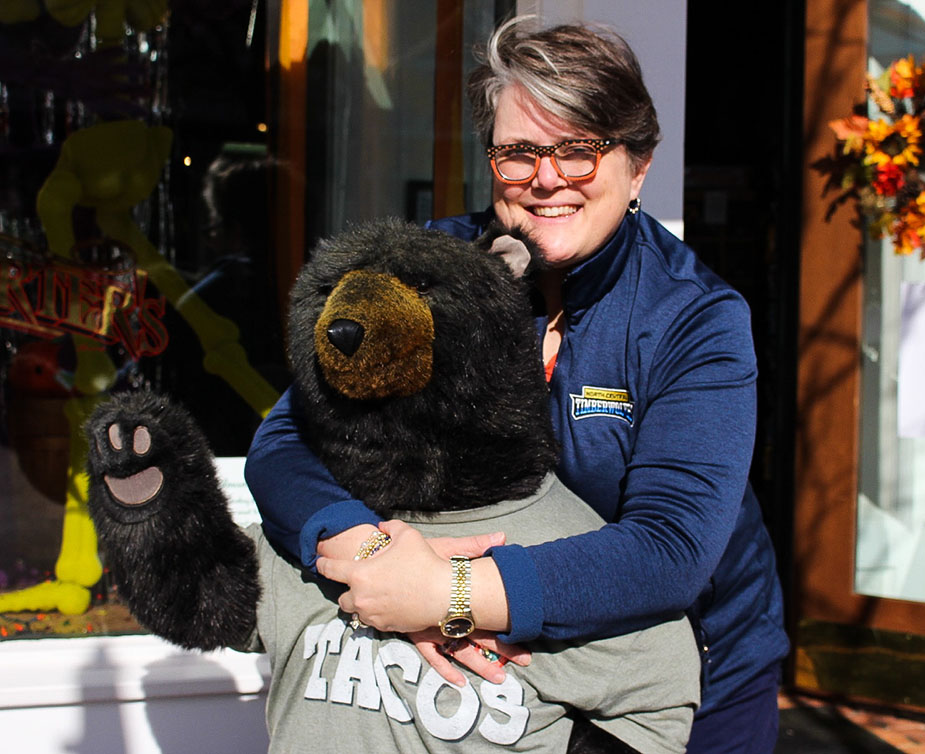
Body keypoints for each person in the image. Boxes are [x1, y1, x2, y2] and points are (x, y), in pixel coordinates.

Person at [245, 17, 789, 753]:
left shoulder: (692, 317)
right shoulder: (434, 266)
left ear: (639, 164)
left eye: (580, 150)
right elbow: (287, 436)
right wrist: (363, 547)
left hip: (675, 682)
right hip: (489, 677)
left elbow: (670, 546)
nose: (547, 177)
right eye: (519, 152)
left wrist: (449, 596)